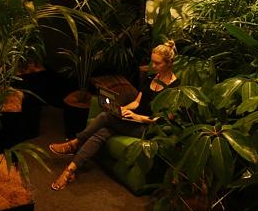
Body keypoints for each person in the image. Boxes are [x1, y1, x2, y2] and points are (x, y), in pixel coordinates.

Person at [48, 40, 180, 191]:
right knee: (103, 132)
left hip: (148, 128)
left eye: (157, 63)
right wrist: (122, 109)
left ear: (169, 63)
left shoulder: (175, 87)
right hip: (132, 120)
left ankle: (76, 142)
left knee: (105, 117)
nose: (153, 66)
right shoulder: (152, 78)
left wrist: (140, 118)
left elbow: (167, 119)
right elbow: (137, 103)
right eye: (152, 62)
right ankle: (70, 170)